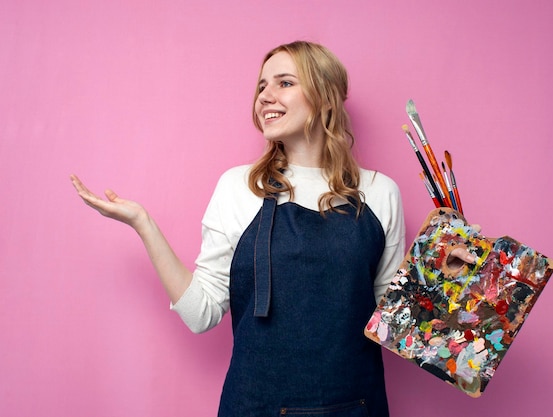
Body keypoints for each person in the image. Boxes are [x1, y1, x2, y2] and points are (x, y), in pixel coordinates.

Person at [71, 40, 476, 416]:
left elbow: (392, 319)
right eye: (262, 85)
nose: (265, 95)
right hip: (255, 405)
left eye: (284, 82)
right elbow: (201, 315)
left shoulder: (379, 193)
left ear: (324, 95)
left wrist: (445, 273)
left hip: (355, 404)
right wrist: (144, 224)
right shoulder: (238, 187)